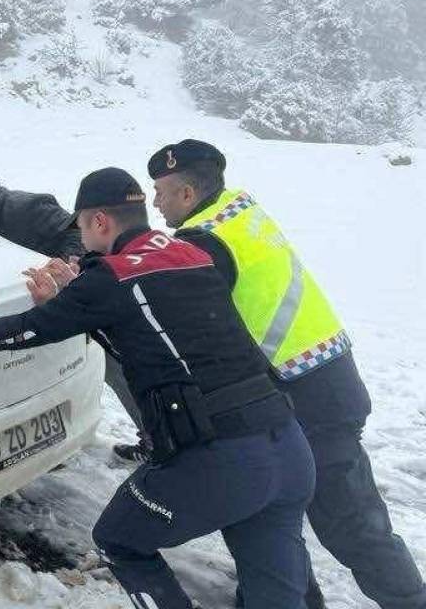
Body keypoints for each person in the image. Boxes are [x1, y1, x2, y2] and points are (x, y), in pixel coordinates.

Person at [0, 168, 315, 608]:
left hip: (223, 458)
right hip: (288, 447)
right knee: (275, 586)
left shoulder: (112, 277)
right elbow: (144, 326)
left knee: (120, 541)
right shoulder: (188, 253)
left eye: (80, 225)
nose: (80, 237)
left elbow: (28, 330)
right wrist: (73, 301)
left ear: (100, 222)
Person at [149, 139, 426, 609]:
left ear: (187, 194)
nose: (155, 202)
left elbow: (166, 304)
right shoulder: (240, 213)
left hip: (308, 397)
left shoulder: (204, 241)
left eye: (160, 191)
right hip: (326, 377)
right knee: (273, 517)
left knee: (351, 526)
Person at [0, 167, 150, 461]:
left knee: (120, 367)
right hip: (60, 297)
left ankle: (154, 437)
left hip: (84, 295)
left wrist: (68, 262)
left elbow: (72, 232)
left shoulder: (26, 207)